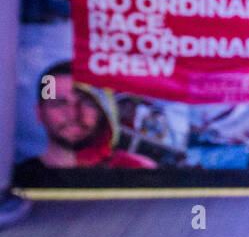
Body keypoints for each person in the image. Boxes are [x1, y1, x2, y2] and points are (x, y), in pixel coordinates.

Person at [13, 61, 155, 181]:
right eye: (59, 103)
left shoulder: (134, 171)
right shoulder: (17, 180)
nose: (74, 114)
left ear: (102, 112)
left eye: (87, 103)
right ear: (40, 113)